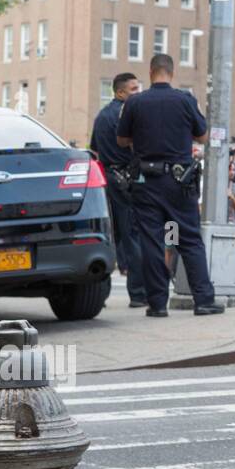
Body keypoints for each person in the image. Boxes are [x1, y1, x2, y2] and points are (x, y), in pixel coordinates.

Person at [116, 53, 224, 317]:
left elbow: (121, 140)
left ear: (151, 72)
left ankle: (157, 304)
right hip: (179, 183)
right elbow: (202, 135)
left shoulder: (135, 103)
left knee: (153, 241)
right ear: (171, 73)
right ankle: (204, 300)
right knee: (187, 239)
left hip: (146, 184)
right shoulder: (185, 100)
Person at [89, 72, 148, 309]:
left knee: (113, 238)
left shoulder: (102, 116)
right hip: (130, 180)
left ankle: (99, 294)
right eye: (134, 89)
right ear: (120, 92)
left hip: (109, 180)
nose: (138, 92)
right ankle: (138, 293)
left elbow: (95, 149)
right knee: (134, 237)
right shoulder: (128, 115)